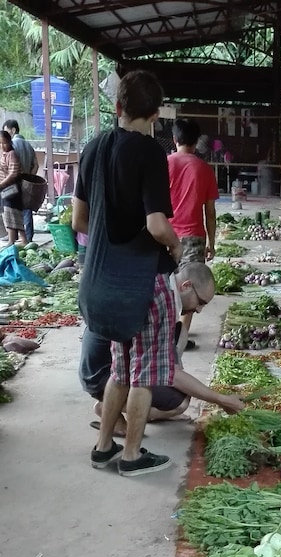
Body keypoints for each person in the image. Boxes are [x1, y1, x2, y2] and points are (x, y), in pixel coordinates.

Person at [72, 69, 184, 478]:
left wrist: (114, 234)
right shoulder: (150, 152)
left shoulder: (92, 148)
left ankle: (103, 447)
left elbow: (80, 221)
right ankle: (134, 456)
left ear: (117, 106)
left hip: (100, 284)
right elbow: (157, 225)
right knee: (146, 373)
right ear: (155, 114)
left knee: (120, 367)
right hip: (142, 286)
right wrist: (176, 245)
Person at [80, 261, 243, 435]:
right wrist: (221, 399)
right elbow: (173, 375)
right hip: (101, 374)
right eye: (200, 302)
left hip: (106, 360)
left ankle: (121, 407)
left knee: (180, 335)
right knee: (180, 402)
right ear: (186, 286)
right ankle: (110, 409)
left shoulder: (164, 282)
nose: (199, 309)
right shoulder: (163, 300)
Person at [167, 117, 220, 353]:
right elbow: (210, 212)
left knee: (166, 286)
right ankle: (181, 337)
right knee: (191, 289)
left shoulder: (163, 164)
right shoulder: (204, 169)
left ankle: (165, 333)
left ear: (174, 139)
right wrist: (212, 242)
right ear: (197, 141)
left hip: (164, 235)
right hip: (193, 236)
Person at [2, 120, 38, 242]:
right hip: (26, 182)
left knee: (13, 211)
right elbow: (36, 165)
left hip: (13, 183)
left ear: (12, 130)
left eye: (6, 130)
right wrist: (29, 178)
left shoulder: (12, 145)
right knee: (27, 209)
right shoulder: (28, 145)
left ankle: (17, 238)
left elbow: (11, 168)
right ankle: (27, 237)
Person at [0, 131, 27, 247]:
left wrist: (1, 184)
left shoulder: (12, 154)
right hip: (5, 189)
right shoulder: (3, 154)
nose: (2, 146)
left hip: (12, 189)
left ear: (9, 142)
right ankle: (23, 240)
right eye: (0, 143)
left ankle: (12, 241)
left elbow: (13, 174)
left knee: (11, 213)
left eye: (4, 143)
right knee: (9, 214)